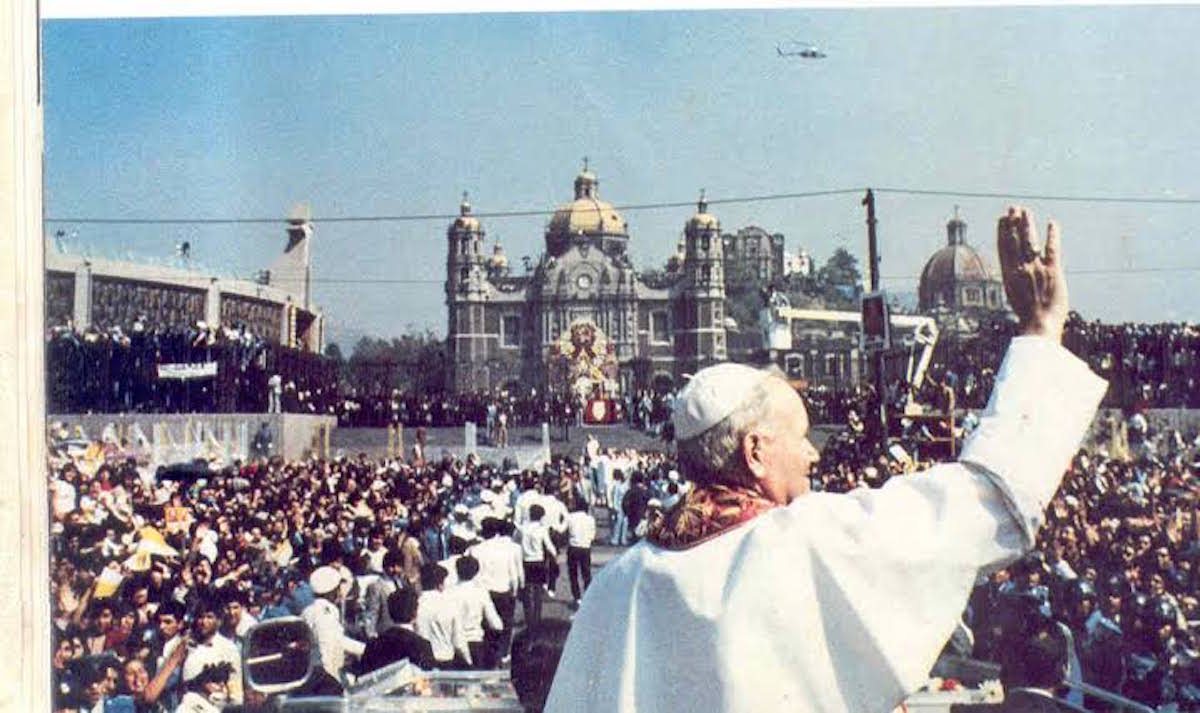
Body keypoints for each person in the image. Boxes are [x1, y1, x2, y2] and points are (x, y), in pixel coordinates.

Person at [545, 207, 1109, 713]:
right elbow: (987, 501)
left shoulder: (615, 586)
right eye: (801, 436)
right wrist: (1041, 330)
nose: (814, 452)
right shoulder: (803, 542)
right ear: (757, 452)